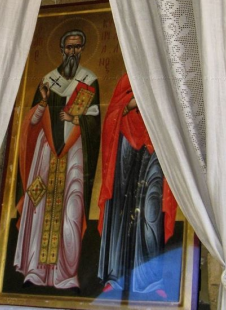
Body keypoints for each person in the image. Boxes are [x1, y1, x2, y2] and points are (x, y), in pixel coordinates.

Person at [14, 30, 101, 289]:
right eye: (69, 47)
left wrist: (75, 119)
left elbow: (95, 121)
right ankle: (34, 271)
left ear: (82, 49)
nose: (73, 52)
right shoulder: (48, 81)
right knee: (38, 206)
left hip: (74, 154)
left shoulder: (89, 81)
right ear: (62, 50)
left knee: (72, 210)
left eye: (77, 47)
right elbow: (31, 122)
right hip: (45, 154)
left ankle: (66, 275)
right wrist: (42, 102)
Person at [97, 73, 177, 296]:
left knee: (151, 210)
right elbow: (112, 115)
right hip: (125, 140)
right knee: (120, 208)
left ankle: (151, 280)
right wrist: (129, 104)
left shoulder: (163, 74)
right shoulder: (126, 78)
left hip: (155, 143)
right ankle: (114, 276)